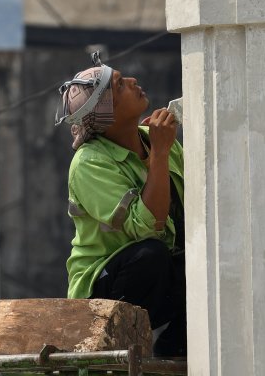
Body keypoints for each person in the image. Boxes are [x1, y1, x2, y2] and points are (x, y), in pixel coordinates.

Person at [55, 52, 186, 358]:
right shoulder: (89, 163)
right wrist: (159, 154)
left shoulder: (154, 139)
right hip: (103, 292)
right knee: (150, 255)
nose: (132, 81)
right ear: (107, 113)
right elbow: (148, 227)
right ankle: (116, 350)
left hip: (155, 278)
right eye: (120, 85)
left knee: (205, 261)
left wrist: (160, 148)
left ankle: (174, 349)